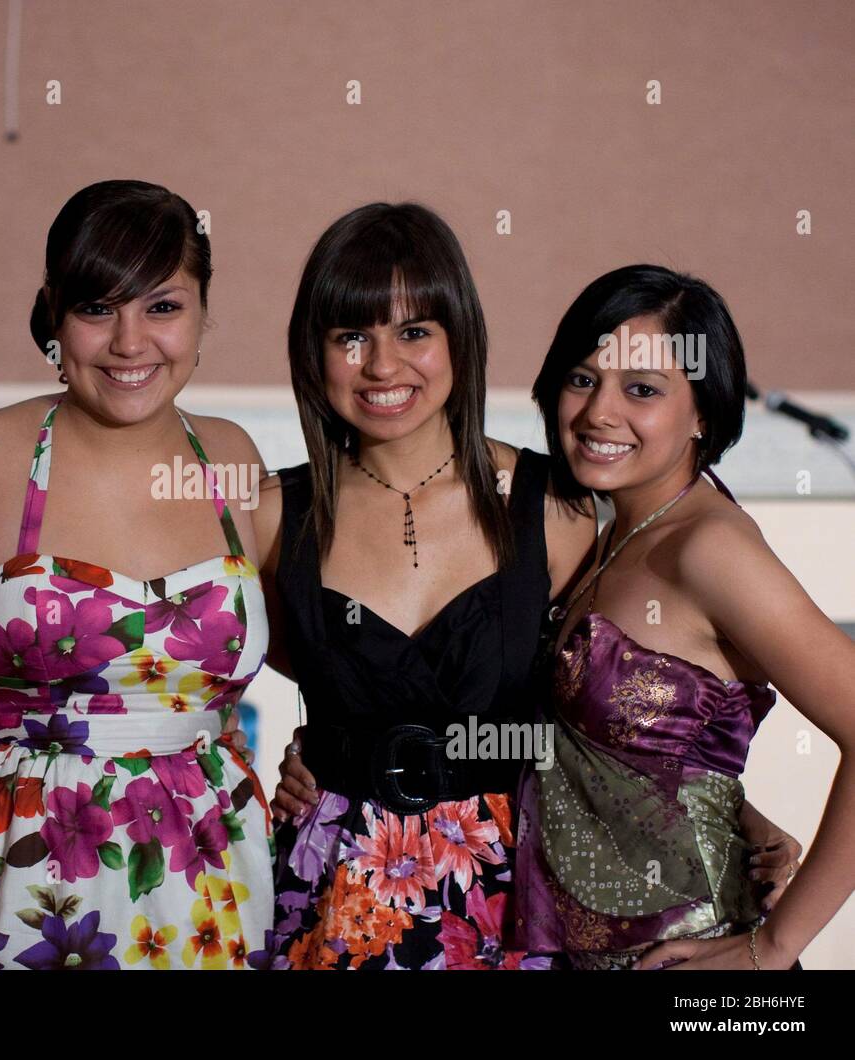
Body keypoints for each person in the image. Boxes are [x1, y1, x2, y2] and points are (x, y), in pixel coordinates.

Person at [0, 179, 273, 969]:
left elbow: (331, 634)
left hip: (213, 880)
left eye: (163, 307)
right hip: (13, 878)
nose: (130, 342)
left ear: (204, 312)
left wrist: (332, 753)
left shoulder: (233, 458)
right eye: (97, 308)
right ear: (54, 312)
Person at [251, 202, 598, 969]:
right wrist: (304, 763)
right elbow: (191, 681)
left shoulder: (558, 511)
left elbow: (621, 702)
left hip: (518, 904)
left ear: (459, 339)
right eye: (352, 336)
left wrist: (739, 813)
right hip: (333, 906)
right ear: (314, 353)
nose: (382, 367)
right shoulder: (272, 518)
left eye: (414, 332)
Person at [515, 264, 853, 969]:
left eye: (641, 390)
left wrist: (773, 946)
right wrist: (734, 808)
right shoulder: (613, 531)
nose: (599, 413)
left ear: (704, 410)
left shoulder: (709, 548)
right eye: (582, 379)